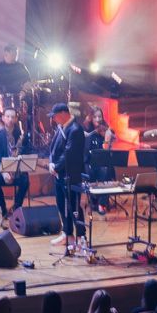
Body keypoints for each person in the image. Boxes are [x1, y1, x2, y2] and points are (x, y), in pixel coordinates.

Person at [48, 103, 89, 251]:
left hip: (71, 174)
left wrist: (56, 167)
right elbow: (53, 148)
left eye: (55, 116)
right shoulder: (62, 127)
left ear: (63, 114)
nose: (53, 119)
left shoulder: (75, 129)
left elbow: (69, 153)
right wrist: (51, 163)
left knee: (73, 206)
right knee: (61, 204)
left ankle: (81, 236)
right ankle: (68, 233)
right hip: (59, 175)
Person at [0, 110, 31, 222]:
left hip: (17, 168)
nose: (10, 119)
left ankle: (16, 208)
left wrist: (22, 154)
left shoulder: (22, 135)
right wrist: (3, 171)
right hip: (1, 168)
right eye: (8, 116)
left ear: (16, 119)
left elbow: (29, 151)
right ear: (3, 118)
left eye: (13, 117)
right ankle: (3, 209)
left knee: (25, 181)